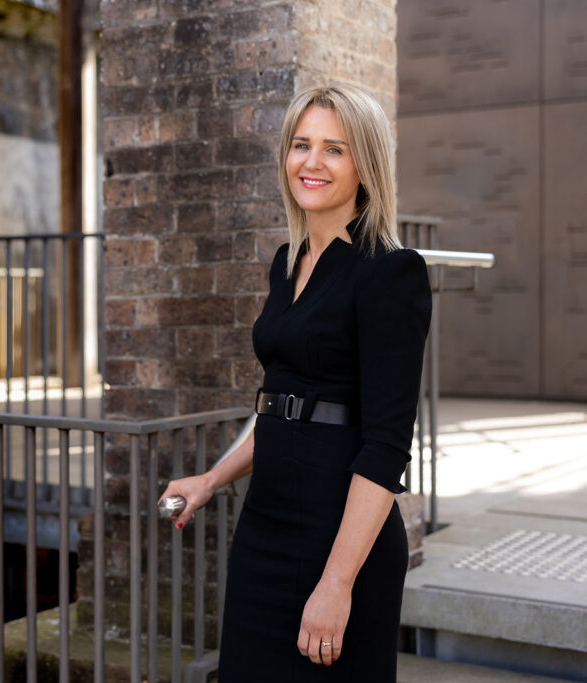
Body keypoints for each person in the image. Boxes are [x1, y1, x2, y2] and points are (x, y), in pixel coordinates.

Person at [157, 84, 432, 681]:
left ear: (365, 164)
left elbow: (386, 447)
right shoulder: (286, 262)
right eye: (301, 145)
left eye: (335, 149)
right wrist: (212, 478)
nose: (312, 162)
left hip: (342, 538)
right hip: (266, 526)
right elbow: (284, 406)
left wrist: (337, 583)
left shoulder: (391, 271)